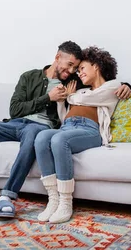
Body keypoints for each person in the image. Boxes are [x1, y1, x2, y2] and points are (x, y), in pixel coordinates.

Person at [0, 41, 131, 218]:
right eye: (70, 65)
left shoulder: (74, 81)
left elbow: (103, 84)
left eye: (77, 68)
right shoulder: (29, 77)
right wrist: (48, 97)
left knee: (38, 134)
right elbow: (15, 110)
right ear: (57, 58)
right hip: (14, 124)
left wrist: (127, 86)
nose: (72, 72)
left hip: (40, 128)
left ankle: (7, 196)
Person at [34, 46, 121, 223]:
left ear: (96, 66)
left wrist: (69, 97)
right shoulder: (80, 91)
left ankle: (66, 201)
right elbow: (63, 116)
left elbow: (84, 99)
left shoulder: (112, 86)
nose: (79, 73)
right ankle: (53, 199)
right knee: (42, 137)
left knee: (58, 139)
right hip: (67, 127)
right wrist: (63, 100)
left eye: (82, 68)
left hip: (89, 130)